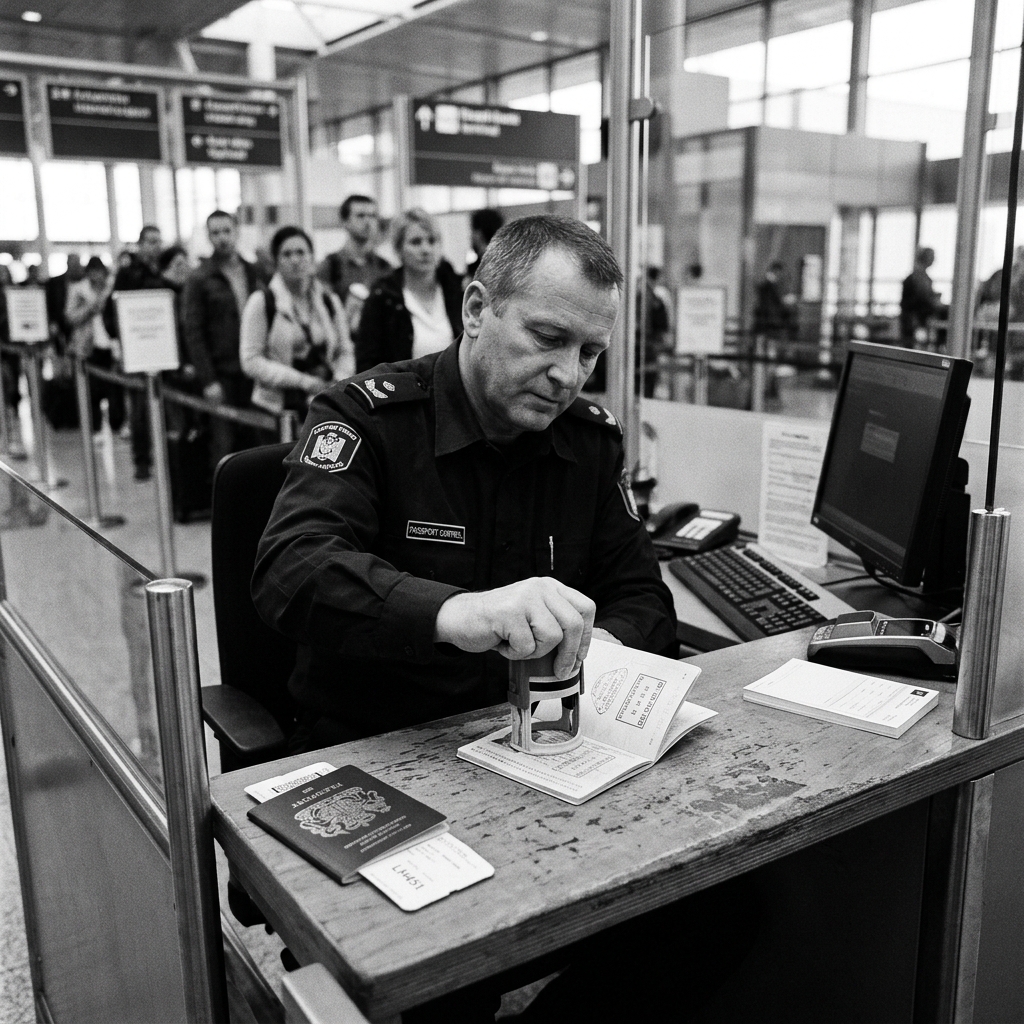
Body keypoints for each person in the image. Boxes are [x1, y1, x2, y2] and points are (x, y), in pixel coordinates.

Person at [239, 225, 353, 436]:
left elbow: (345, 350)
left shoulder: (329, 301)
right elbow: (251, 361)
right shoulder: (262, 302)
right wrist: (304, 382)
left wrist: (339, 381)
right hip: (276, 410)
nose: (295, 260)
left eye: (301, 252)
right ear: (276, 261)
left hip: (324, 406)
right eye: (287, 254)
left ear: (312, 257)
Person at [181, 210, 264, 472]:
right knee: (224, 445)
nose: (222, 238)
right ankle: (223, 506)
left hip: (255, 369)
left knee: (257, 441)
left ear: (236, 231)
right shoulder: (200, 277)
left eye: (227, 231)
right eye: (215, 232)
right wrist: (208, 379)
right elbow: (193, 331)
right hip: (222, 372)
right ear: (209, 236)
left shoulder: (254, 271)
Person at [355, 208, 463, 372]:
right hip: (402, 393)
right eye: (416, 242)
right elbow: (366, 362)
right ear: (399, 249)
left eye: (432, 241)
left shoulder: (455, 289)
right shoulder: (383, 296)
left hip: (452, 392)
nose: (426, 249)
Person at [104, 224, 165, 480]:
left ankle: (163, 453)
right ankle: (142, 458)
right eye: (150, 241)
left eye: (158, 241)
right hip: (139, 349)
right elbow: (112, 310)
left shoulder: (164, 269)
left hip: (164, 347)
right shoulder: (128, 274)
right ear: (140, 244)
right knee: (140, 409)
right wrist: (122, 340)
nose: (155, 246)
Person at [66, 256, 125, 436]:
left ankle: (118, 424)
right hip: (88, 345)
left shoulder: (112, 287)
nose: (97, 276)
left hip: (112, 345)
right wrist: (91, 307)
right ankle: (95, 426)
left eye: (99, 272)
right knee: (91, 389)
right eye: (93, 272)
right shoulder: (78, 290)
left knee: (115, 388)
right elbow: (71, 317)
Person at [317, 194, 392, 334]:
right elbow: (322, 317)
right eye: (360, 216)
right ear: (345, 222)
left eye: (372, 216)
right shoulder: (330, 266)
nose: (368, 222)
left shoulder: (385, 267)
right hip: (347, 344)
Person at [900, 246, 944, 346]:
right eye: (932, 256)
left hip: (916, 319)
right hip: (915, 320)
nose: (934, 260)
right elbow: (921, 299)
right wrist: (934, 302)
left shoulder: (922, 277)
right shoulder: (917, 278)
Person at [463, 207, 504, 286]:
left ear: (479, 233)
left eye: (472, 231)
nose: (470, 236)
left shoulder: (476, 270)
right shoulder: (507, 262)